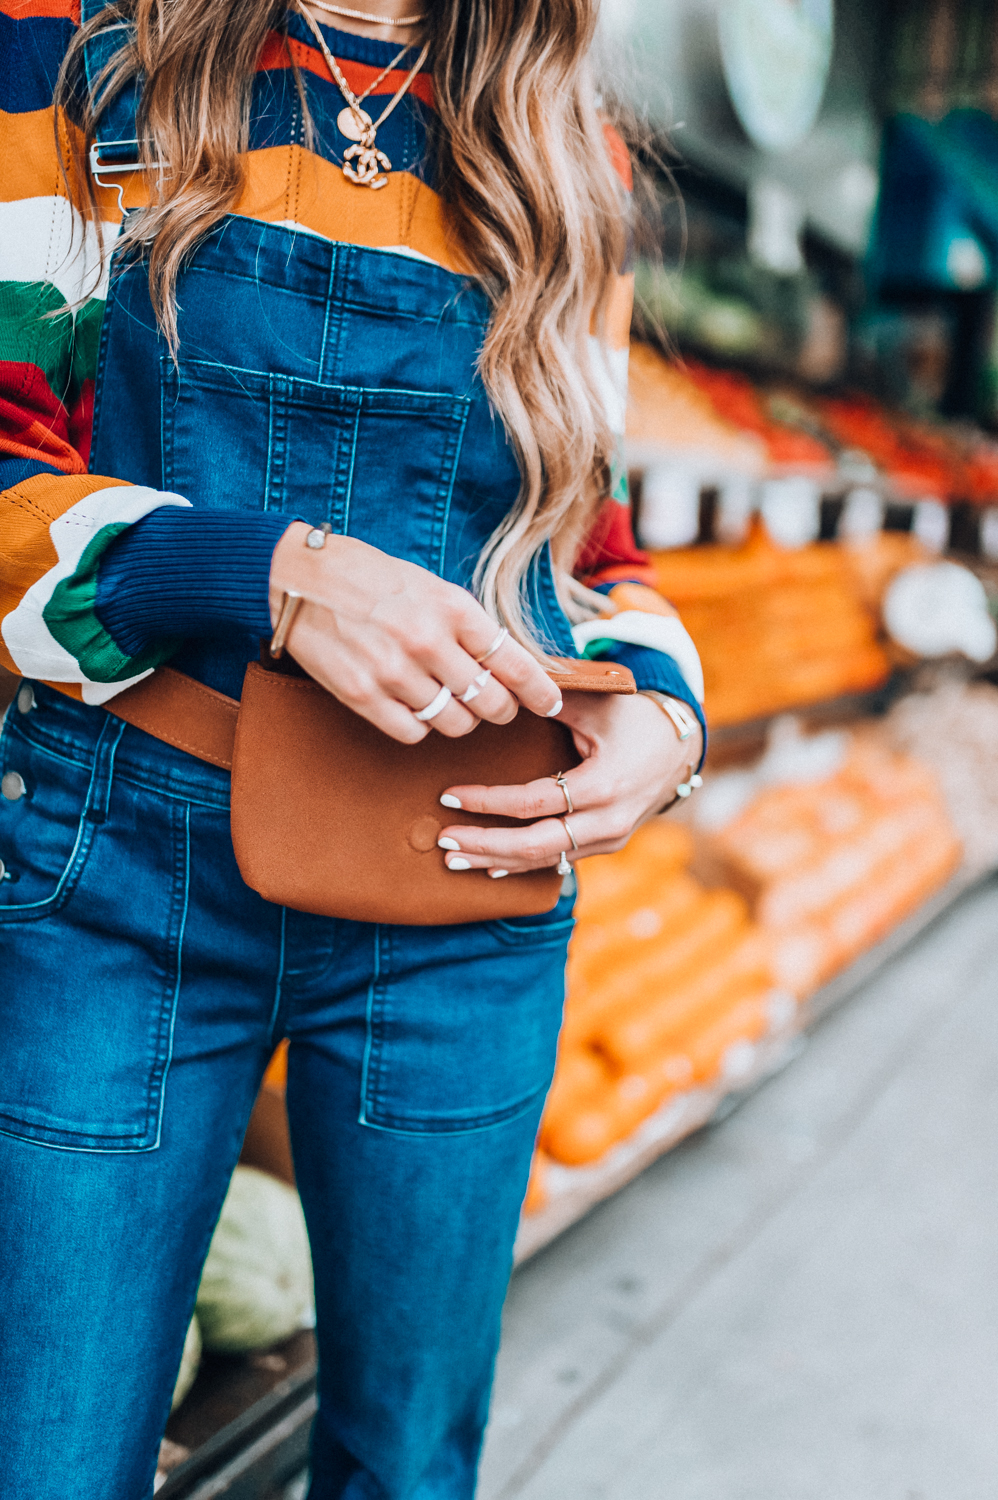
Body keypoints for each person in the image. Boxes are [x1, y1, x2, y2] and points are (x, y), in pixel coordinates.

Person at [0, 1, 705, 1495]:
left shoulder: (558, 150)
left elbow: (589, 547)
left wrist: (661, 714)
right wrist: (260, 572)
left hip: (460, 890)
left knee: (405, 1465)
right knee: (46, 1461)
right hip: (119, 876)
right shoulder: (68, 46)